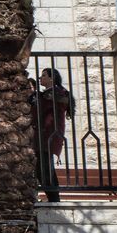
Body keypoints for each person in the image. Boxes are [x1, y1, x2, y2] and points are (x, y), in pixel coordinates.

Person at [30, 68, 74, 202]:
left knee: (45, 168)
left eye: (43, 75)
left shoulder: (58, 92)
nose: (40, 78)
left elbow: (65, 102)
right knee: (42, 168)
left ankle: (54, 198)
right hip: (41, 136)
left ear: (52, 78)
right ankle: (53, 197)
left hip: (49, 135)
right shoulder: (44, 94)